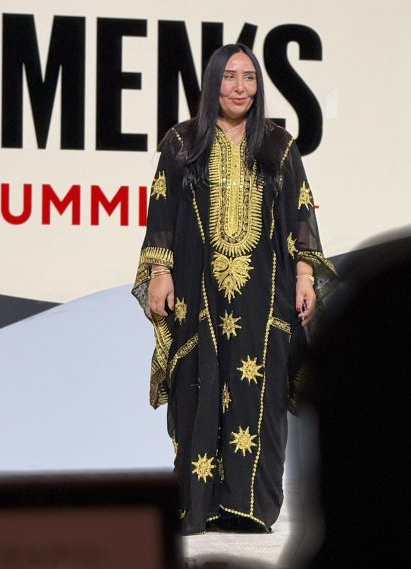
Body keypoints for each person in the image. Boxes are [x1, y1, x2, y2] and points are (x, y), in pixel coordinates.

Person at [132, 43, 336, 535]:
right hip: (196, 290)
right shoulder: (182, 143)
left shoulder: (279, 146)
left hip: (266, 294)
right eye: (229, 77)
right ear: (212, 84)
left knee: (258, 393)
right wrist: (159, 272)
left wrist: (305, 277)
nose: (240, 88)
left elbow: (300, 214)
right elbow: (162, 213)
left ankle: (248, 507)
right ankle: (198, 504)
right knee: (197, 385)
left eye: (249, 78)